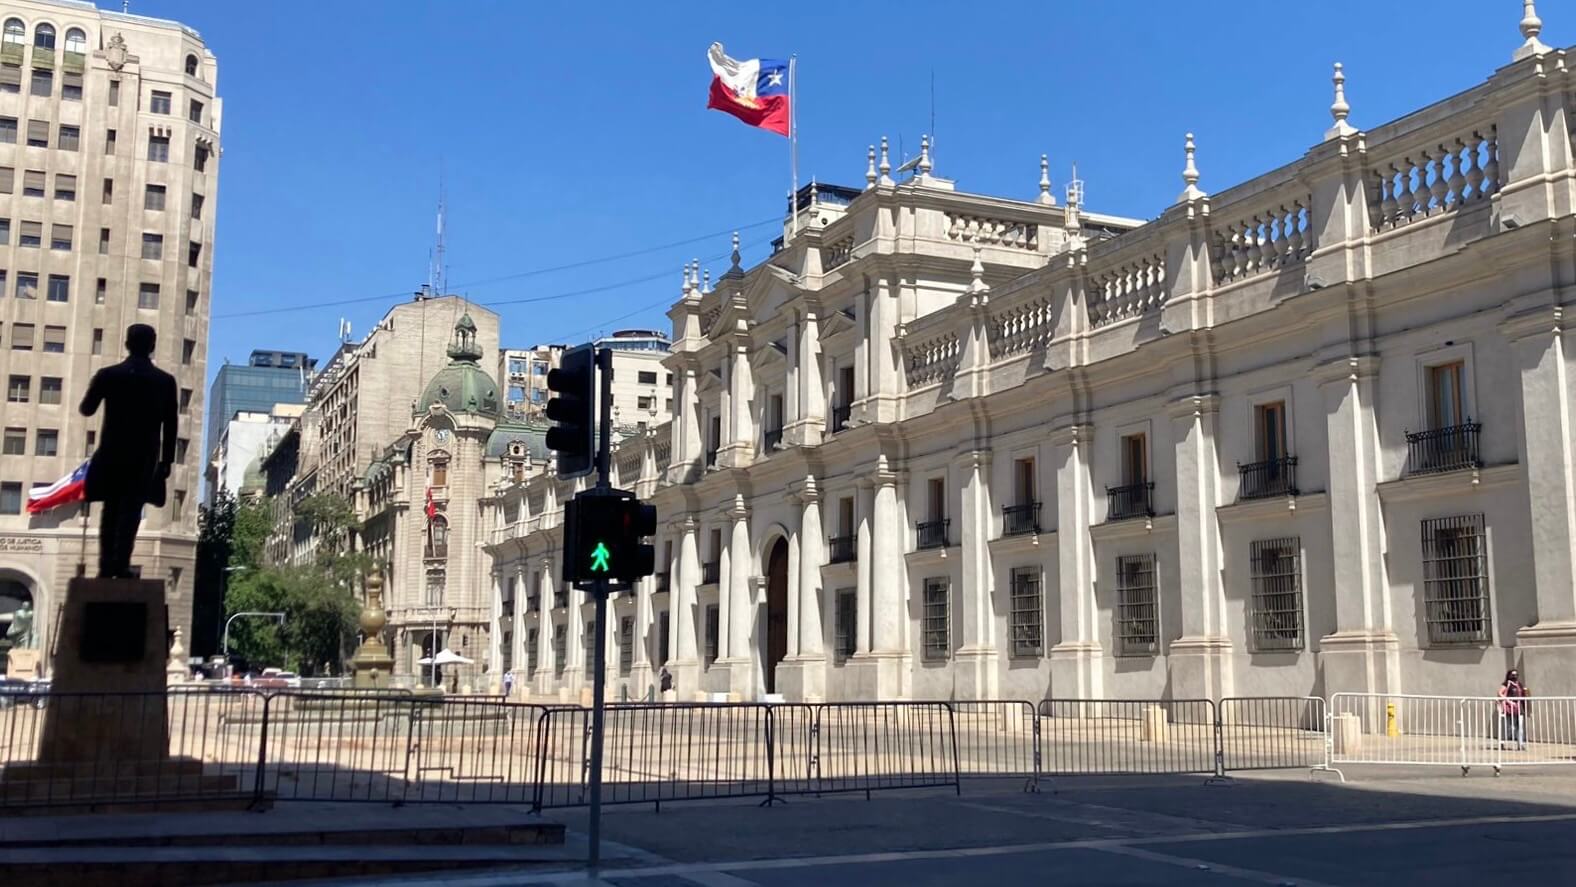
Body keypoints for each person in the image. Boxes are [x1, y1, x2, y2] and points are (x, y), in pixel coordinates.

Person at [79, 324, 178, 579]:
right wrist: (166, 462)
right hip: (143, 458)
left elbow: (86, 409)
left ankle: (104, 566)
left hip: (112, 452)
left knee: (110, 511)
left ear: (126, 344)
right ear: (152, 345)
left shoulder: (108, 375)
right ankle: (121, 564)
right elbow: (171, 425)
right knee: (131, 511)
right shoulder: (164, 381)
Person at [1498, 668, 1530, 751]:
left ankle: (1520, 744)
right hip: (1510, 708)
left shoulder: (1519, 684)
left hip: (1519, 708)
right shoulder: (1506, 684)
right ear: (1509, 675)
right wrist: (1508, 701)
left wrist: (1526, 706)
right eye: (1513, 675)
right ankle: (1502, 743)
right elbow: (1499, 693)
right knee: (1509, 727)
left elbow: (1524, 695)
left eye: (1516, 675)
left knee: (1520, 727)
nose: (1515, 676)